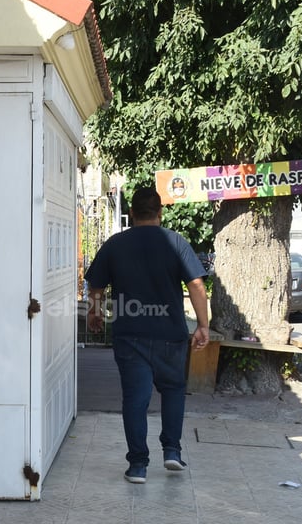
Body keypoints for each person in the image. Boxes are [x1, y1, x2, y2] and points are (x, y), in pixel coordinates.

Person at [85, 187, 210, 484]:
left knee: (135, 400)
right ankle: (172, 451)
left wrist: (95, 313)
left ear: (132, 212)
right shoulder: (175, 242)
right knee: (173, 390)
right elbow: (196, 285)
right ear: (160, 211)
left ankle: (138, 466)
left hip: (131, 336)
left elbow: (96, 288)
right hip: (170, 335)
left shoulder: (115, 244)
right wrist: (203, 325)